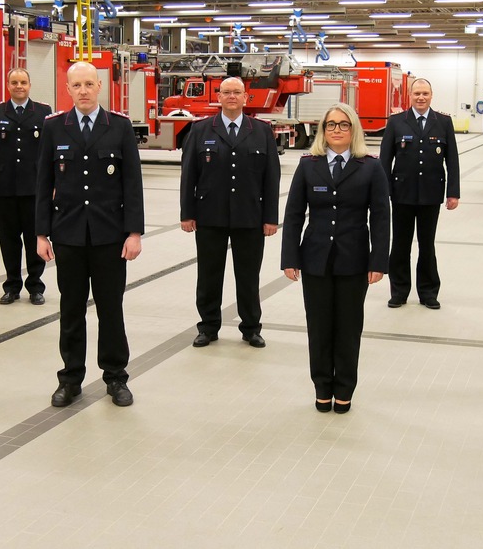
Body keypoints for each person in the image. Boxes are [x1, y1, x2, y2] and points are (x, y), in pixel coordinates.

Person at [36, 61, 145, 408]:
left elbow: (132, 184)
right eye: (76, 85)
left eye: (88, 84)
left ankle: (115, 377)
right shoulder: (54, 127)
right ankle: (70, 378)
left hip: (110, 236)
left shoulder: (120, 127)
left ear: (100, 86)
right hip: (68, 235)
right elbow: (43, 185)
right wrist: (41, 234)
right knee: (70, 309)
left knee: (111, 308)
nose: (83, 91)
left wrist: (134, 233)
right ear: (67, 90)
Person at [282, 104, 389, 414]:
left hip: (354, 261)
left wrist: (378, 261)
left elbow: (382, 217)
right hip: (315, 259)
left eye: (343, 125)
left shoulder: (370, 166)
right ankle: (321, 387)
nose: (337, 130)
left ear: (353, 129)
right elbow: (293, 215)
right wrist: (290, 257)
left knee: (348, 327)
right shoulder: (308, 165)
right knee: (319, 327)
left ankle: (344, 389)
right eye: (331, 125)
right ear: (323, 131)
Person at [180, 76, 281, 349]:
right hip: (209, 215)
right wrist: (187, 213)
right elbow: (189, 175)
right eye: (227, 92)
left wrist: (271, 217)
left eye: (237, 92)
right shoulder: (200, 130)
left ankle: (251, 328)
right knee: (209, 275)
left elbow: (272, 178)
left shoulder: (261, 131)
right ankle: (208, 327)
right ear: (219, 97)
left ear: (246, 98)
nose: (232, 97)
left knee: (248, 276)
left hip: (249, 216)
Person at [379, 78, 459, 310]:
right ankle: (399, 291)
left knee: (427, 245)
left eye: (425, 93)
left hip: (431, 194)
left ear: (431, 96)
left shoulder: (443, 122)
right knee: (401, 244)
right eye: (417, 94)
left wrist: (452, 193)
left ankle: (428, 292)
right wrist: (383, 193)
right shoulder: (396, 122)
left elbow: (452, 160)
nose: (421, 97)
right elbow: (385, 160)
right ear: (410, 97)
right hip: (401, 193)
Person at [0, 68, 52, 306]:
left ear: (30, 85)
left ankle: (35, 286)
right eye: (14, 82)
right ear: (8, 86)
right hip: (6, 189)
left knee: (35, 239)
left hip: (34, 189)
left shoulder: (43, 112)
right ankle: (12, 286)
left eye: (23, 82)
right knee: (9, 240)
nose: (19, 86)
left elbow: (48, 153)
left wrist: (52, 186)